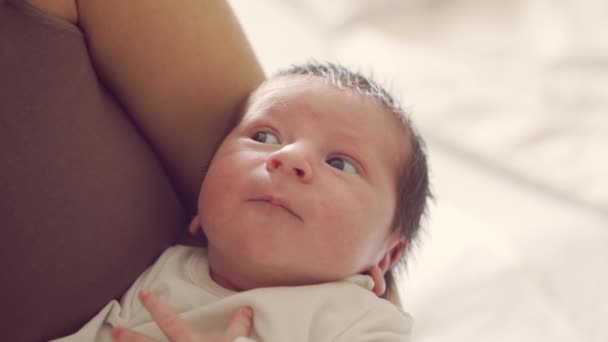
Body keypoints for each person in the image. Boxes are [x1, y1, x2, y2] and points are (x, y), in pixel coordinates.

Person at [54, 62, 431, 342]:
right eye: (265, 137)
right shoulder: (154, 270)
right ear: (200, 209)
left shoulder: (360, 323)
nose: (289, 158)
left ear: (385, 255)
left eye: (340, 163)